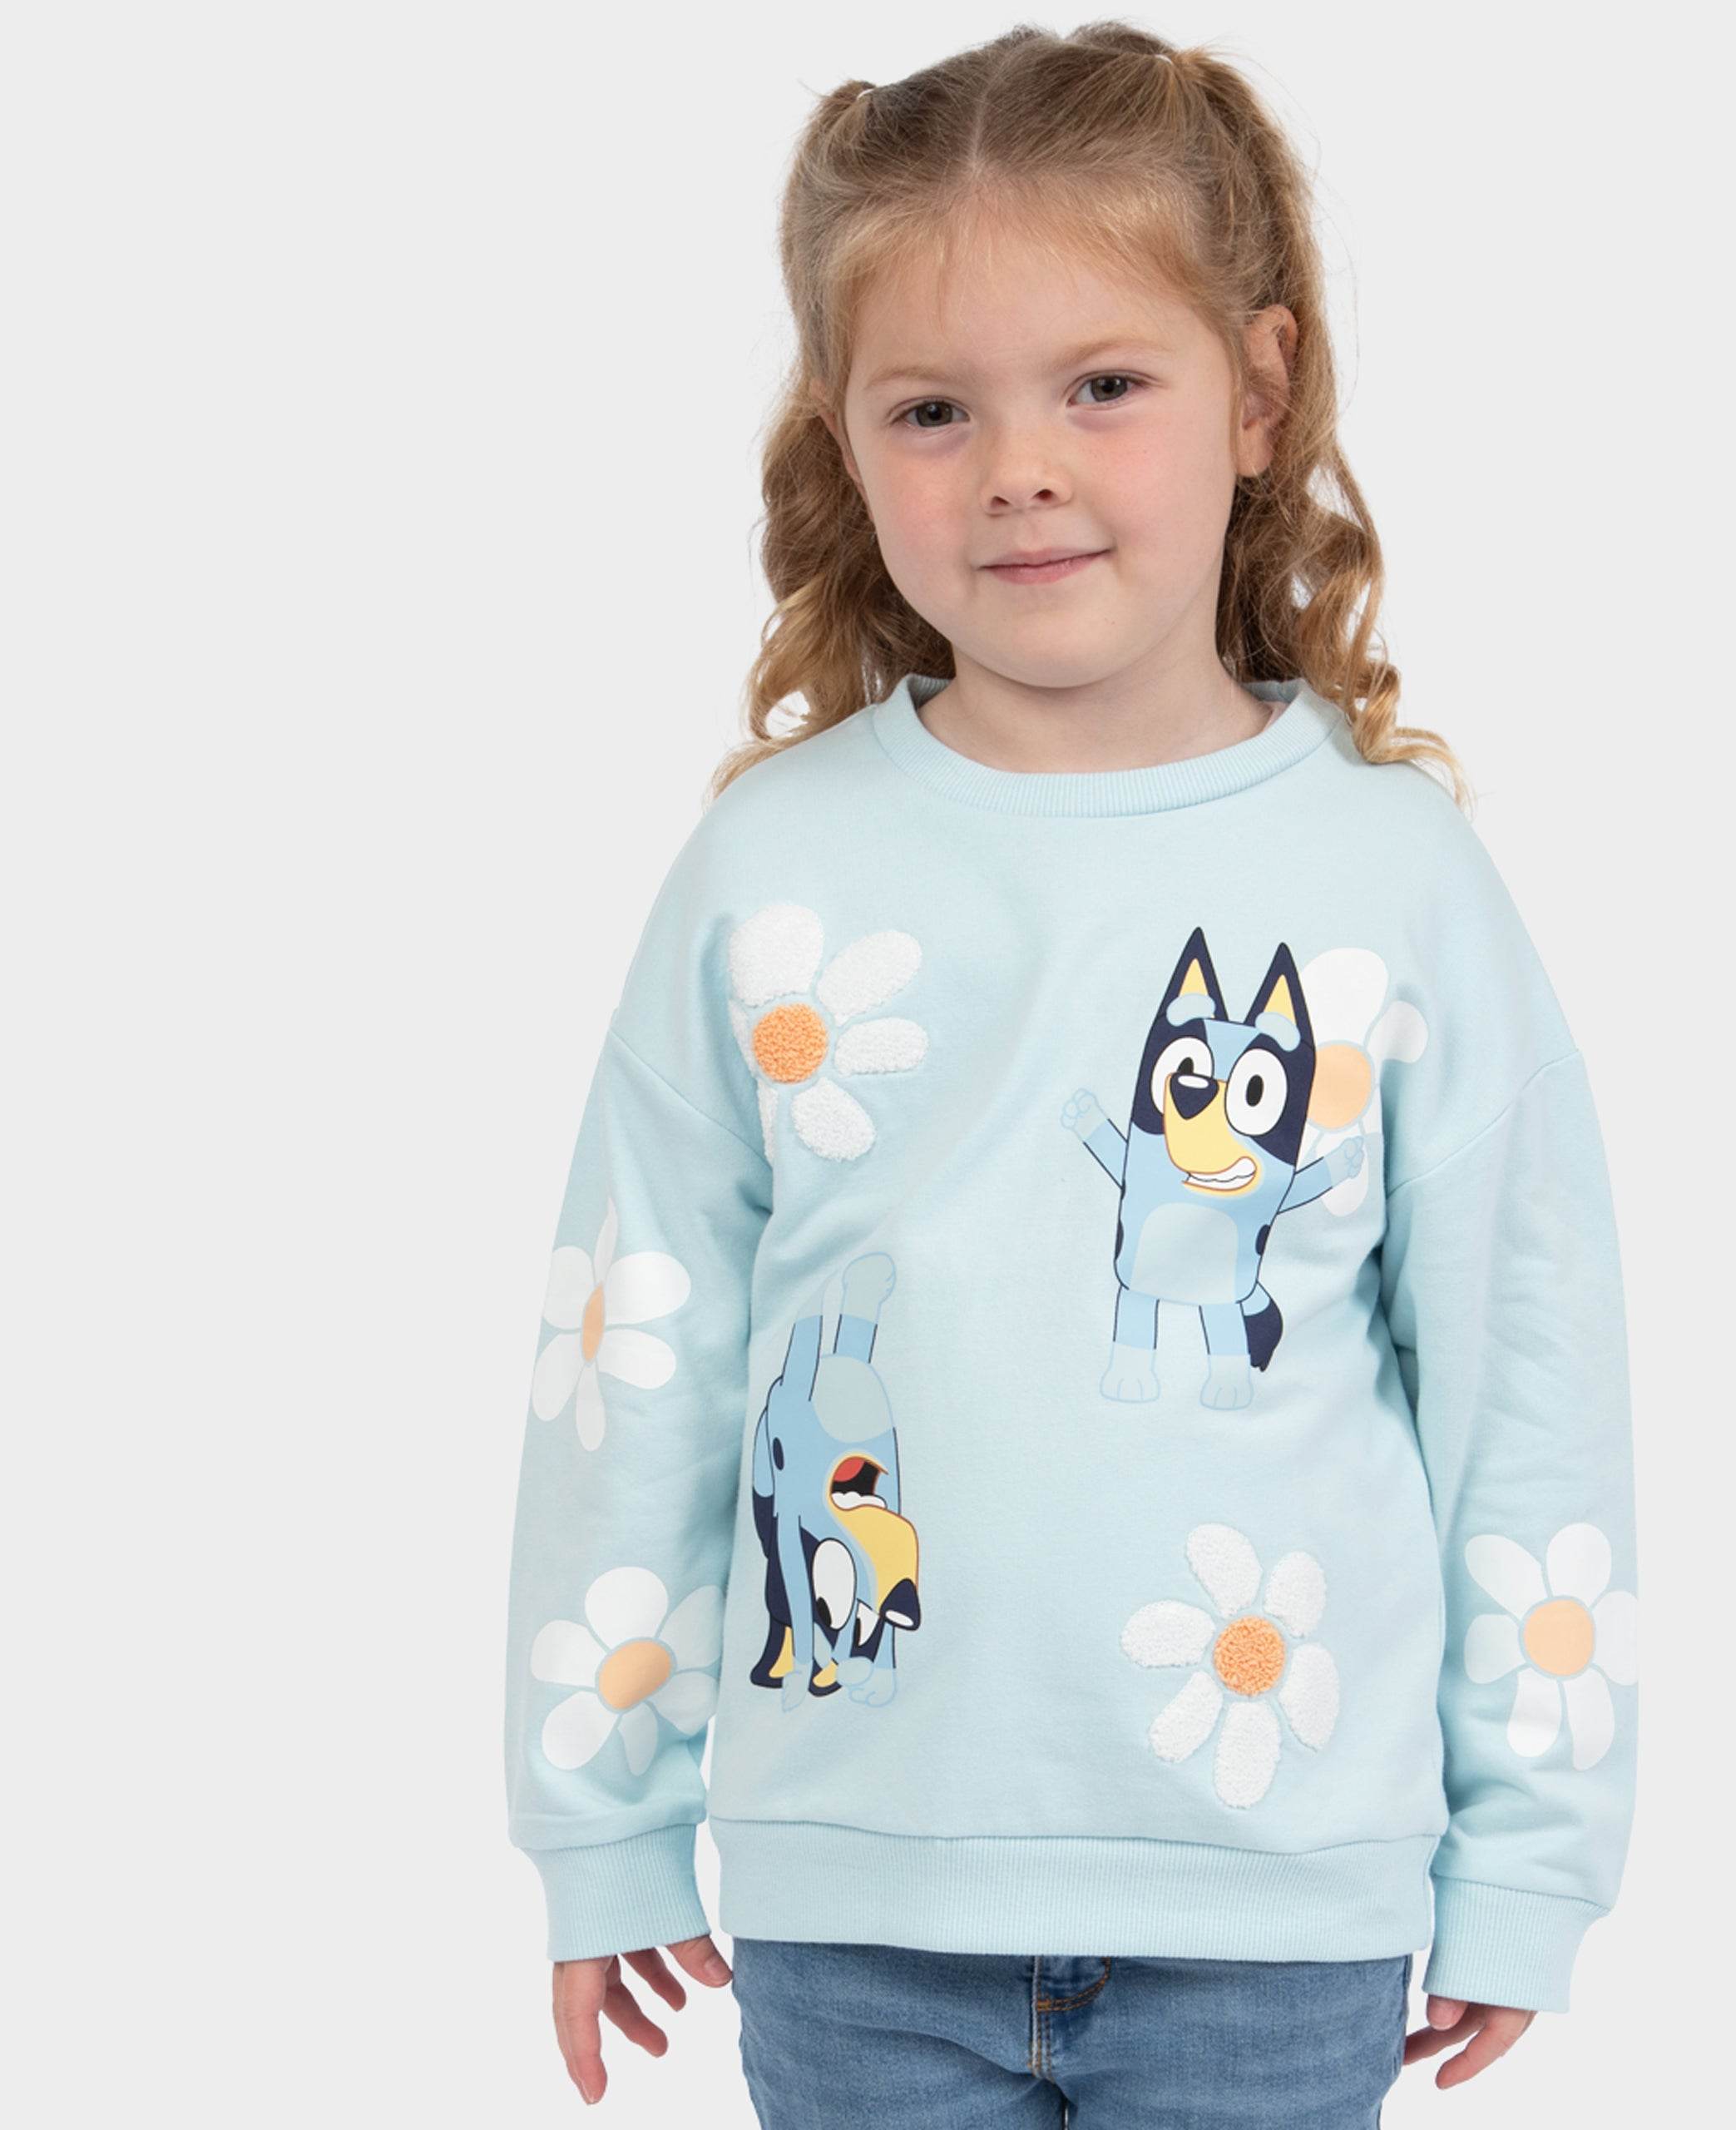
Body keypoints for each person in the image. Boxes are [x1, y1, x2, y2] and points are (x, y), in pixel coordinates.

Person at [502, 22, 1637, 2123]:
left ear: (1258, 390)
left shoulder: (1391, 879)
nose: (1017, 464)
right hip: (853, 1908)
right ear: (845, 438)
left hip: (1275, 1906)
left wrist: (1530, 1854)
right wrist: (600, 1818)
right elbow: (630, 1362)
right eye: (934, 407)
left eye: (1101, 383)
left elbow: (1527, 1379)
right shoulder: (768, 871)